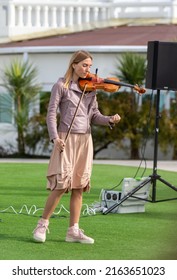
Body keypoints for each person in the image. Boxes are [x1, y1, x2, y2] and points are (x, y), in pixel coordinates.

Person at [33, 50, 121, 244]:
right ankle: (42, 224)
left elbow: (94, 115)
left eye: (89, 66)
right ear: (74, 64)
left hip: (85, 139)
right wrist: (55, 137)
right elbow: (50, 114)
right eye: (84, 65)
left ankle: (73, 230)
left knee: (79, 186)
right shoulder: (61, 85)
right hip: (65, 138)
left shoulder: (91, 89)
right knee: (61, 185)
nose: (87, 70)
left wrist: (109, 120)